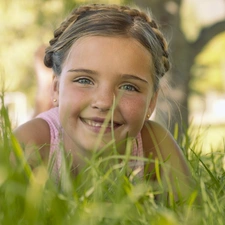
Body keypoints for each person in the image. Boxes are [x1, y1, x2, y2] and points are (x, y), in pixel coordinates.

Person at [14, 3, 193, 201]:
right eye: (84, 80)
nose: (105, 102)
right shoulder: (32, 143)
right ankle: (43, 98)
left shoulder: (154, 144)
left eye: (128, 87)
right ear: (56, 88)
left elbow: (194, 212)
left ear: (151, 102)